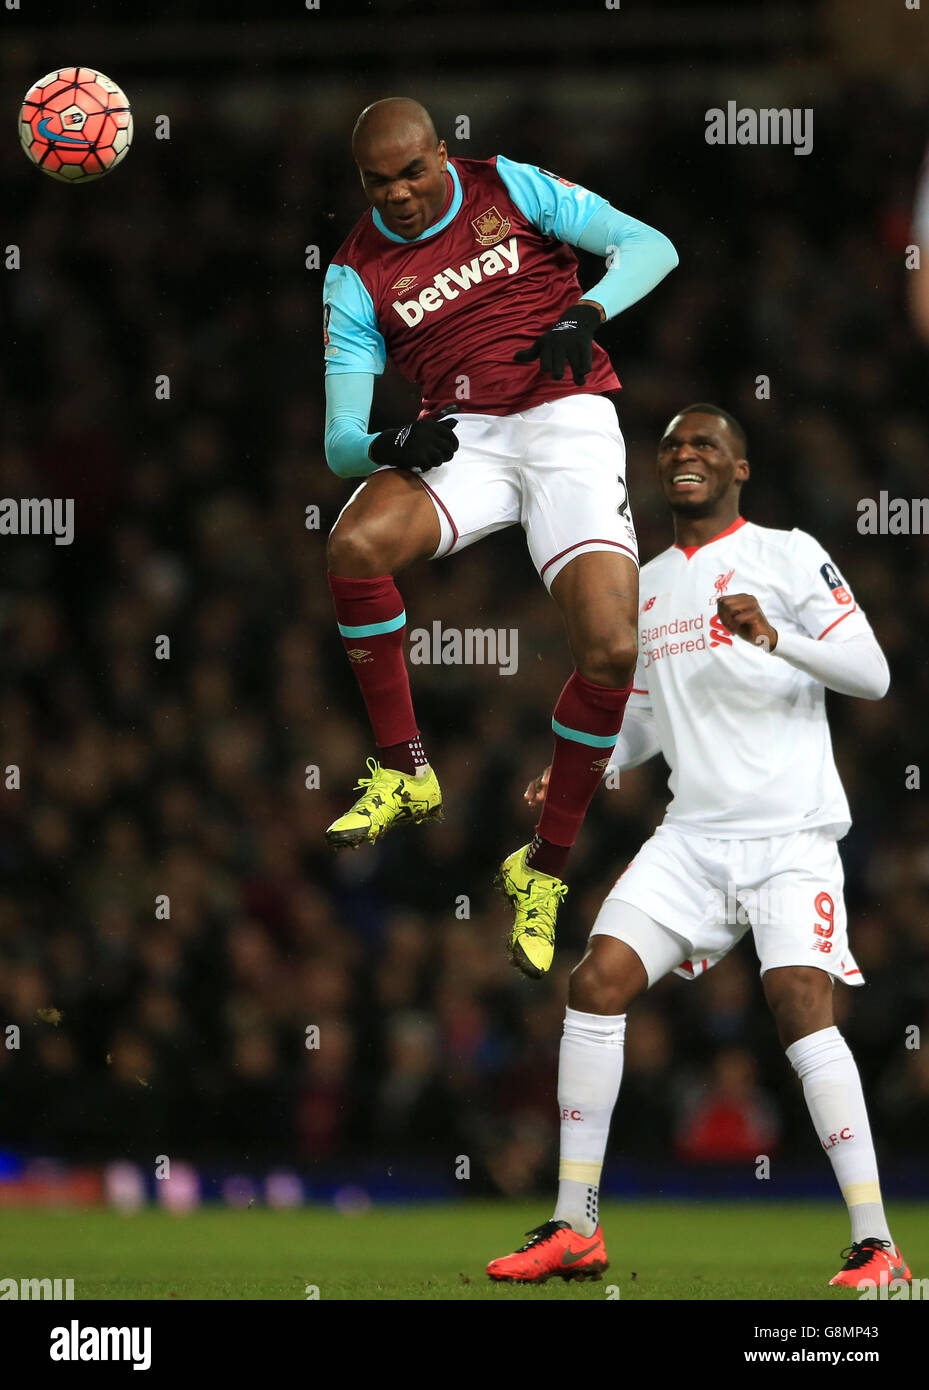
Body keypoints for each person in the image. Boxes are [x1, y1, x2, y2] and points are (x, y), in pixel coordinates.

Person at [486, 404, 910, 1290]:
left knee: (800, 1002)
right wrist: (583, 770)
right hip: (691, 838)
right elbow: (639, 721)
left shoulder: (788, 554)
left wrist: (775, 634)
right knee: (595, 981)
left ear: (738, 468)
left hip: (790, 834)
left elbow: (871, 674)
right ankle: (575, 1224)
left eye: (705, 445)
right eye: (673, 445)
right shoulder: (640, 586)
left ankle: (876, 1244)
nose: (686, 455)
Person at [321, 96, 678, 974]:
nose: (399, 194)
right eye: (378, 182)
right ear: (361, 182)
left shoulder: (509, 188)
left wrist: (585, 313)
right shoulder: (354, 273)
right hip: (464, 434)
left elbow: (652, 247)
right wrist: (386, 443)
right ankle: (404, 767)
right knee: (353, 545)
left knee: (609, 651)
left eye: (412, 171)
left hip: (565, 417)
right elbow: (338, 440)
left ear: (441, 154)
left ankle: (543, 868)